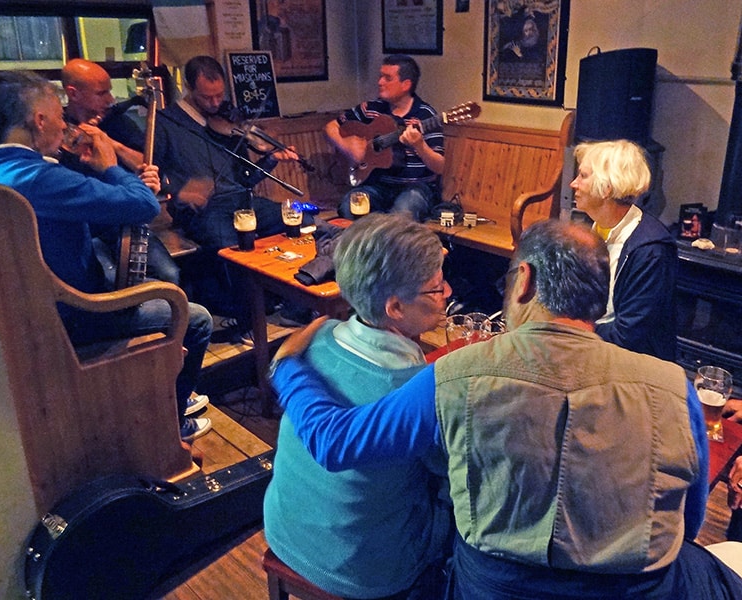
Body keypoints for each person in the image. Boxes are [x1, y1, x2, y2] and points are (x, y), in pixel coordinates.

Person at [269, 219, 742, 599]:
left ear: (526, 282)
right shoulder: (674, 388)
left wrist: (285, 364)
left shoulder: (453, 375)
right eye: (437, 288)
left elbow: (340, 442)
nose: (448, 292)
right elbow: (689, 521)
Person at [0, 71, 213, 442]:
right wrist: (109, 166)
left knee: (138, 273)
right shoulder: (36, 177)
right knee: (192, 315)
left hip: (20, 312)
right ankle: (169, 426)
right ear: (38, 120)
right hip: (69, 315)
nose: (63, 122)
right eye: (56, 113)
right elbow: (142, 206)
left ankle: (149, 395)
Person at [263, 214, 452, 599]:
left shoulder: (317, 336)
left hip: (284, 527)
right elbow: (448, 465)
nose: (447, 291)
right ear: (395, 307)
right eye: (436, 288)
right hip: (367, 570)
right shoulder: (417, 389)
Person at [153, 55, 301, 339]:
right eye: (207, 97)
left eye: (219, 95)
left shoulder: (228, 122)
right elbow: (149, 170)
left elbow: (247, 179)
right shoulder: (166, 122)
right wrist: (180, 191)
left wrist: (270, 159)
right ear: (188, 88)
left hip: (242, 202)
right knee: (230, 244)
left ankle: (292, 306)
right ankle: (246, 316)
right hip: (201, 211)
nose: (214, 103)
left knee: (299, 219)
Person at [60, 58, 181, 287]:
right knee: (107, 280)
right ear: (73, 94)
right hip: (85, 228)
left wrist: (110, 144)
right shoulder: (60, 128)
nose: (111, 99)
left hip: (124, 221)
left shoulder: (118, 122)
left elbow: (147, 163)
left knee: (168, 275)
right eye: (101, 93)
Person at [570, 139, 677, 361]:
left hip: (632, 363)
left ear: (606, 188)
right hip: (592, 345)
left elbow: (628, 335)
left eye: (583, 176)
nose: (573, 184)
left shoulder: (651, 250)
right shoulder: (593, 229)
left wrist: (571, 331)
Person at [325, 54, 444, 222]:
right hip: (375, 185)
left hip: (415, 188)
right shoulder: (371, 108)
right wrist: (346, 146)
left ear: (406, 85)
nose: (380, 82)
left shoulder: (425, 115)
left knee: (400, 217)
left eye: (387, 78)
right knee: (348, 207)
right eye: (380, 76)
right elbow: (331, 126)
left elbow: (439, 166)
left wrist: (420, 146)